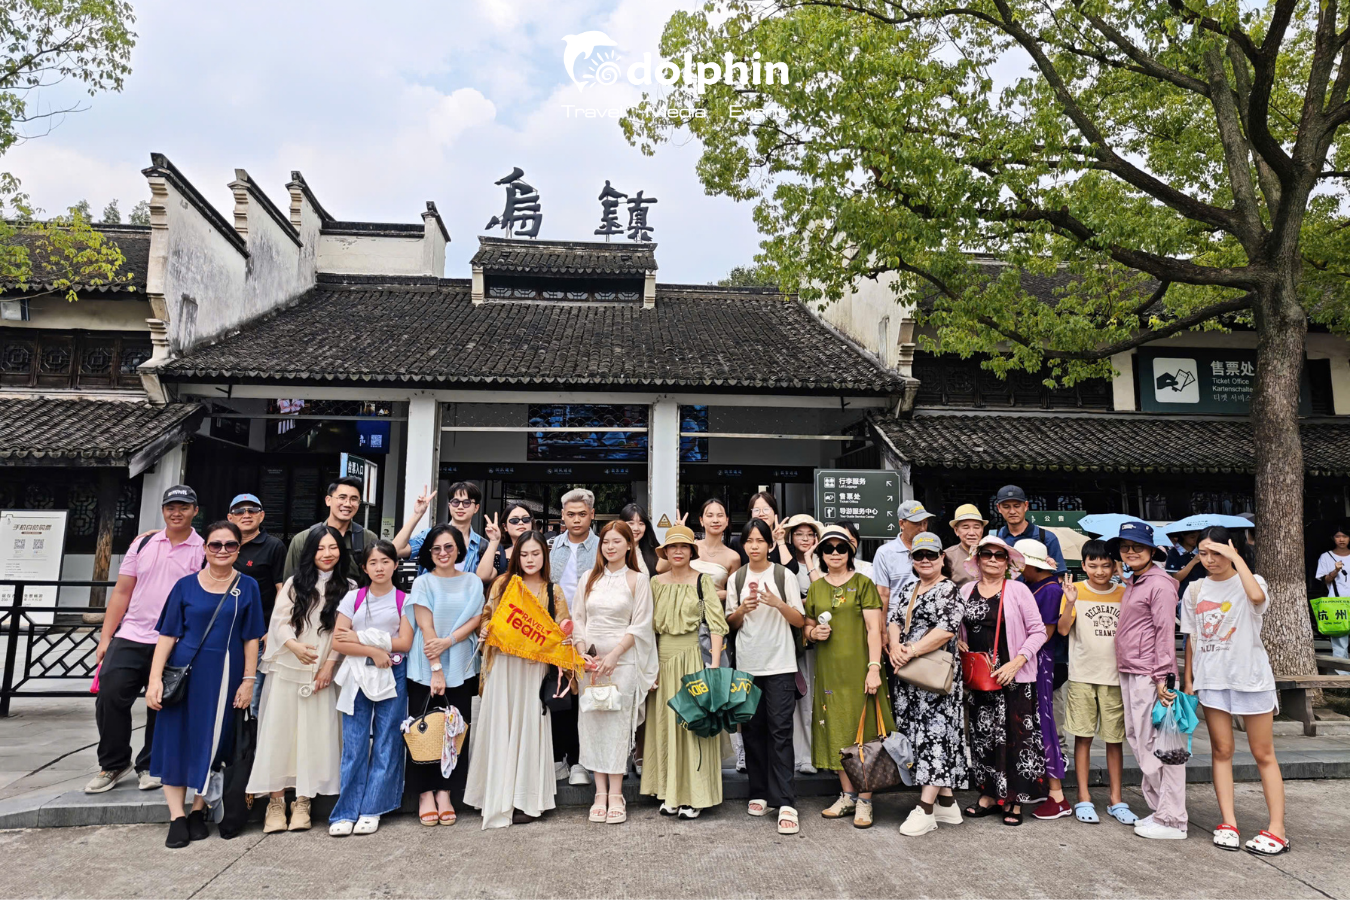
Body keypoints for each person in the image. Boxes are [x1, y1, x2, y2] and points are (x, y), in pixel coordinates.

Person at [145, 521, 265, 849]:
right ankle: (177, 817)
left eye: (229, 545)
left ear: (239, 550)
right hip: (185, 673)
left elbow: (251, 637)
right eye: (215, 545)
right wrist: (155, 679)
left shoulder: (248, 586)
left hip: (225, 675)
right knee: (176, 740)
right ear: (205, 548)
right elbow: (167, 635)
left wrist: (248, 681)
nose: (222, 550)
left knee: (213, 742)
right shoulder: (185, 586)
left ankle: (198, 810)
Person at [87, 485, 205, 795]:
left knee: (162, 704)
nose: (176, 512)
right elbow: (123, 591)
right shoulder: (143, 543)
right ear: (163, 510)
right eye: (170, 507)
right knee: (110, 695)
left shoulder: (203, 550)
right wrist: (106, 638)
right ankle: (113, 762)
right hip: (131, 634)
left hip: (175, 640)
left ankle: (151, 764)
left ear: (195, 510)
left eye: (183, 507)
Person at [1183, 526, 1287, 855]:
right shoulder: (1195, 590)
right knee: (1221, 751)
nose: (1210, 560)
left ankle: (1277, 829)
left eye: (1217, 553)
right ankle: (1228, 822)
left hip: (1250, 678)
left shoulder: (1250, 583)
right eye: (1203, 553)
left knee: (1263, 753)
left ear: (1232, 551)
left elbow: (1257, 598)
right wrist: (1189, 680)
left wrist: (1236, 558)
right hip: (1212, 679)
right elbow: (1191, 638)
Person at [248, 526, 353, 832]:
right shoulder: (295, 584)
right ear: (310, 552)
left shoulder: (349, 587)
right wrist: (293, 645)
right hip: (288, 668)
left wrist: (328, 667)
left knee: (315, 734)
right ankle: (276, 802)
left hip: (324, 672)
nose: (327, 554)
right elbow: (278, 622)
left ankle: (304, 801)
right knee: (279, 733)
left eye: (333, 547)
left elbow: (342, 633)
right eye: (320, 548)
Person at [464, 532, 570, 828]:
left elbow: (562, 630)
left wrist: (563, 632)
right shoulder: (503, 584)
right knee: (501, 724)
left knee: (528, 727)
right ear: (516, 557)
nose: (530, 560)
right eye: (524, 555)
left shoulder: (553, 591)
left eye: (536, 554)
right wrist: (485, 630)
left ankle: (527, 799)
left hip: (533, 669)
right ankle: (493, 796)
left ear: (544, 557)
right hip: (505, 665)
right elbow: (488, 616)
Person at [803, 524, 893, 829]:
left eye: (841, 548)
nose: (835, 553)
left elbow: (873, 629)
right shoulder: (816, 587)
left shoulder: (864, 583)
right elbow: (807, 625)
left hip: (859, 670)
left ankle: (865, 800)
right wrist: (814, 632)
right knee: (837, 732)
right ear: (821, 554)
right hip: (829, 673)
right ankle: (847, 795)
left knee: (863, 734)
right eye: (828, 549)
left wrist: (873, 667)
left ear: (850, 551)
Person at [571, 521, 658, 826]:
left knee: (619, 729)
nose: (610, 547)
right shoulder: (588, 579)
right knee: (593, 726)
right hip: (592, 666)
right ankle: (599, 793)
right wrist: (582, 650)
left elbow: (641, 624)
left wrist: (616, 654)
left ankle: (617, 794)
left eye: (616, 541)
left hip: (623, 664)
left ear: (629, 545)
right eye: (605, 541)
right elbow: (578, 618)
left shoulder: (638, 580)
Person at [959, 535, 1048, 827]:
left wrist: (1017, 661)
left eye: (1000, 555)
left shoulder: (1019, 590)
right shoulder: (966, 590)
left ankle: (1014, 799)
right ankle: (987, 794)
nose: (993, 560)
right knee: (983, 736)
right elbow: (957, 627)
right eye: (987, 555)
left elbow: (1038, 632)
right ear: (978, 559)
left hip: (1013, 676)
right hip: (980, 676)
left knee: (1016, 739)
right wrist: (958, 643)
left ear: (1007, 562)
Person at [641, 525, 728, 819]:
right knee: (666, 726)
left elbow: (717, 625)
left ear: (692, 551)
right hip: (662, 660)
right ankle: (669, 792)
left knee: (693, 727)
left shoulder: (703, 581)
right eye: (673, 547)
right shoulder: (655, 583)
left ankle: (697, 796)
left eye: (684, 547)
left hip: (693, 658)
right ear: (665, 552)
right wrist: (649, 668)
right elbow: (647, 630)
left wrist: (714, 666)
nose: (678, 552)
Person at [328, 540, 413, 837]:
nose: (380, 567)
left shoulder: (405, 600)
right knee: (354, 742)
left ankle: (373, 807)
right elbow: (338, 641)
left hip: (393, 671)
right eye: (373, 563)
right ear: (364, 567)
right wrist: (374, 651)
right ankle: (346, 810)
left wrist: (360, 639)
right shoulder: (352, 598)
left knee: (387, 740)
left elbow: (405, 643)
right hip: (356, 671)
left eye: (385, 561)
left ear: (395, 564)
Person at [727, 519, 806, 835]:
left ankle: (786, 800)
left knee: (780, 731)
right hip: (748, 665)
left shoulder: (783, 575)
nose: (755, 545)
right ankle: (758, 791)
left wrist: (777, 603)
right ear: (743, 545)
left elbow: (799, 620)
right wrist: (743, 610)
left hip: (781, 665)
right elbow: (730, 623)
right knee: (753, 732)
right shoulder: (737, 578)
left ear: (770, 544)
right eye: (749, 541)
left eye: (760, 540)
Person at [885, 532, 966, 837]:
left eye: (931, 555)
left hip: (934, 677)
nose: (925, 561)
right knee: (916, 735)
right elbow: (893, 620)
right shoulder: (909, 587)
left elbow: (947, 630)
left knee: (935, 735)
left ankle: (926, 809)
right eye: (919, 556)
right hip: (908, 675)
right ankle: (947, 803)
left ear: (942, 558)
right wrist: (895, 648)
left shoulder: (949, 590)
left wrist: (912, 650)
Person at [1110, 520, 1187, 840]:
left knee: (1160, 746)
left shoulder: (1160, 584)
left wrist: (1163, 678)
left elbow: (1164, 632)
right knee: (1140, 741)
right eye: (1126, 547)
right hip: (1133, 670)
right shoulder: (1136, 581)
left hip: (1151, 673)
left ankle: (1172, 819)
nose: (1131, 552)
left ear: (1152, 551)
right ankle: (1160, 811)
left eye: (1137, 547)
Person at [406, 524, 485, 827]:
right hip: (426, 664)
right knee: (422, 729)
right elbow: (425, 625)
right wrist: (436, 667)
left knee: (455, 731)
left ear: (459, 549)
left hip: (461, 664)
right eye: (436, 548)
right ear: (429, 552)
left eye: (449, 547)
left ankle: (446, 793)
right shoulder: (424, 582)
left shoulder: (472, 581)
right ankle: (425, 794)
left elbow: (475, 617)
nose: (442, 553)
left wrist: (450, 641)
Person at [1057, 539, 1135, 826]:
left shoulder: (1125, 592)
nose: (1100, 571)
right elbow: (1063, 630)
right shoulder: (1074, 590)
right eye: (1093, 565)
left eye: (1105, 565)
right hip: (1082, 676)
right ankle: (1084, 797)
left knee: (1115, 740)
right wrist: (1070, 603)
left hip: (1116, 676)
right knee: (1083, 737)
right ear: (1084, 565)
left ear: (1115, 565)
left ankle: (1117, 799)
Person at [1014, 538, 1070, 820]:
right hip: (1033, 660)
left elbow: (1047, 633)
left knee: (1044, 723)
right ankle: (1045, 788)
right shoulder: (1036, 585)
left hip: (1040, 662)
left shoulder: (1049, 590)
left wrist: (1019, 655)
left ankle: (1058, 795)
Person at [548, 488, 597, 786]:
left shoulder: (604, 546)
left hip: (591, 631)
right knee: (557, 694)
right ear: (562, 516)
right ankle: (558, 758)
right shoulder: (551, 547)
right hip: (553, 634)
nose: (576, 520)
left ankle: (581, 761)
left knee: (584, 697)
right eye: (570, 514)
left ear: (592, 514)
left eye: (582, 514)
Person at [227, 493, 286, 716]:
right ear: (230, 517)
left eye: (252, 510)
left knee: (254, 693)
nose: (246, 515)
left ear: (262, 516)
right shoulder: (221, 544)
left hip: (258, 632)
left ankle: (250, 747)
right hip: (226, 628)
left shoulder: (273, 546)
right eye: (240, 511)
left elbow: (281, 589)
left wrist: (273, 628)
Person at [785, 514, 823, 774]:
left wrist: (810, 558)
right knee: (801, 693)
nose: (805, 539)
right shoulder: (786, 564)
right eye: (799, 534)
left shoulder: (824, 560)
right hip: (795, 635)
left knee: (820, 693)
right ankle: (803, 755)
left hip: (822, 633)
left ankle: (821, 753)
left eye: (809, 534)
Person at [284, 477, 369, 581]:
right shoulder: (303, 539)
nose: (348, 504)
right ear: (328, 500)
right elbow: (290, 583)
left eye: (354, 499)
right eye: (342, 497)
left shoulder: (367, 538)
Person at [396, 482, 487, 575]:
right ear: (449, 505)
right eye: (455, 502)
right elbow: (397, 550)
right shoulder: (430, 535)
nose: (460, 507)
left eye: (466, 503)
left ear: (476, 508)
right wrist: (417, 514)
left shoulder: (481, 545)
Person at [872, 500, 935, 620]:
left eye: (925, 523)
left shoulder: (933, 550)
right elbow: (882, 594)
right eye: (917, 523)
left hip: (928, 620)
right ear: (902, 524)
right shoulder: (885, 553)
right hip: (896, 621)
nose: (922, 529)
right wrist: (883, 631)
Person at [992, 485, 1066, 573]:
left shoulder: (1046, 537)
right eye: (1006, 507)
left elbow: (1059, 575)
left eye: (1016, 506)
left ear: (1026, 506)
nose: (1012, 511)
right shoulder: (995, 538)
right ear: (999, 508)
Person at [1314, 523, 1350, 670]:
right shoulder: (1326, 556)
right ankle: (1343, 679)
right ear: (1333, 538)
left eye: (1345, 536)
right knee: (1340, 642)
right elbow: (1325, 580)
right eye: (1338, 536)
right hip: (1337, 602)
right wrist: (1335, 570)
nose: (1341, 539)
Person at [733, 491, 800, 571]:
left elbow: (792, 571)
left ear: (775, 512)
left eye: (766, 509)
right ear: (751, 514)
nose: (761, 514)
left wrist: (780, 541)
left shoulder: (784, 545)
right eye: (756, 510)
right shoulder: (738, 543)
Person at [476, 503, 535, 583]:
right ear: (505, 527)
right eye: (514, 520)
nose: (521, 523)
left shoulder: (544, 551)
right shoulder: (500, 557)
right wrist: (494, 541)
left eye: (526, 519)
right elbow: (483, 576)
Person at [945, 504, 986, 588]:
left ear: (982, 530)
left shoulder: (993, 553)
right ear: (956, 531)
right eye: (965, 527)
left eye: (976, 527)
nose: (971, 533)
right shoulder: (947, 556)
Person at [620, 502, 660, 575]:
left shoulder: (654, 551)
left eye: (641, 524)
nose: (636, 528)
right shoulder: (615, 551)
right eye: (631, 523)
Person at [1165, 529, 1205, 596]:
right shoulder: (1174, 552)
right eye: (1192, 537)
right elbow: (1176, 578)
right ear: (1183, 535)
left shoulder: (1202, 550)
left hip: (1202, 592)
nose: (1196, 539)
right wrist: (1193, 561)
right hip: (1183, 594)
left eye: (1199, 537)